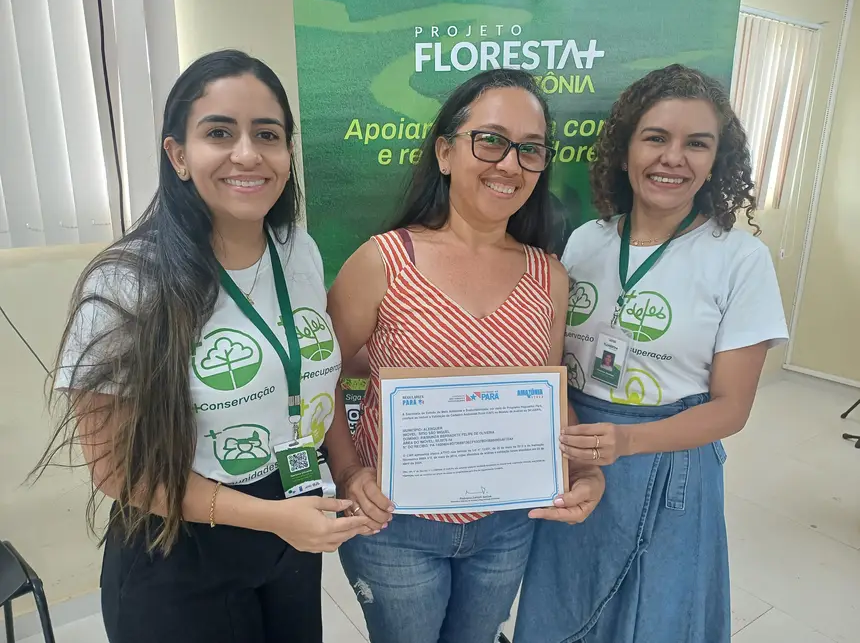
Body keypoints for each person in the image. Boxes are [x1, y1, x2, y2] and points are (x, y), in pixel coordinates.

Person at [34, 50, 372, 643]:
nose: (247, 153)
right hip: (178, 546)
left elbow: (321, 378)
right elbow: (118, 471)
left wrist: (348, 474)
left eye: (267, 134)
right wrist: (270, 519)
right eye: (220, 132)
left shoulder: (298, 249)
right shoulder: (124, 282)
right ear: (179, 155)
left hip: (291, 522)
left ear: (288, 153)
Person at [323, 68, 606, 643]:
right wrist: (350, 473)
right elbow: (320, 381)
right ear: (446, 152)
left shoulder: (547, 276)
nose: (510, 164)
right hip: (394, 526)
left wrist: (586, 469)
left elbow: (548, 399)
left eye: (530, 149)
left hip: (507, 526)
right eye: (491, 140)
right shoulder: (382, 262)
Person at [514, 64, 789, 643]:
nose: (673, 158)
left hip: (670, 462)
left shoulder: (738, 259)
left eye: (696, 143)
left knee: (657, 616)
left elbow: (730, 409)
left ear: (717, 160)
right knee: (565, 603)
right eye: (656, 138)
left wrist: (630, 441)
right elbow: (551, 359)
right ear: (625, 149)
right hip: (576, 449)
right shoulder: (588, 240)